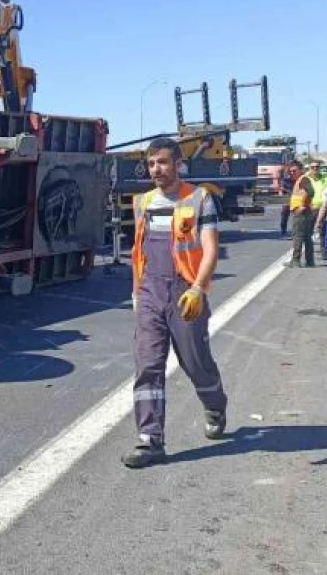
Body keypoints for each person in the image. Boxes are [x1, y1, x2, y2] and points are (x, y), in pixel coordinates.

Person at [124, 137, 227, 469]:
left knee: (195, 362)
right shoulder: (142, 203)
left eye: (163, 162)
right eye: (152, 163)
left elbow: (210, 249)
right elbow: (138, 253)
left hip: (185, 292)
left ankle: (215, 404)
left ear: (178, 165)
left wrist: (198, 288)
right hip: (151, 291)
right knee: (148, 365)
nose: (157, 169)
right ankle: (150, 440)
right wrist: (137, 294)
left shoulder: (199, 199)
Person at [286, 161, 316, 268]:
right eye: (291, 171)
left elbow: (311, 192)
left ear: (301, 170)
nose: (292, 173)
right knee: (307, 236)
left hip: (301, 212)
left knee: (297, 236)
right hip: (304, 211)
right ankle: (309, 261)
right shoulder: (300, 180)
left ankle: (295, 260)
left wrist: (303, 205)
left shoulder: (303, 179)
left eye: (294, 171)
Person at [309, 162, 327, 260]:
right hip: (310, 208)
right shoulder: (307, 179)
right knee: (308, 232)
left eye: (317, 167)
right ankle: (309, 255)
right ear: (310, 168)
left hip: (323, 208)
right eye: (312, 167)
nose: (315, 169)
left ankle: (325, 254)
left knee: (324, 232)